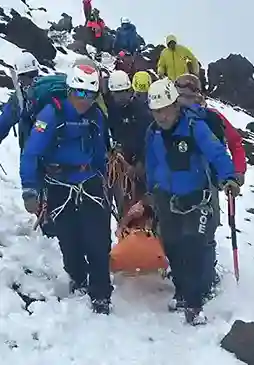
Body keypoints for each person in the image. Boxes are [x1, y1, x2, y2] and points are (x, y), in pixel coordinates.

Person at [131, 79, 240, 325]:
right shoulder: (153, 132)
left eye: (165, 110)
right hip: (166, 199)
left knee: (192, 247)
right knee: (172, 247)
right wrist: (151, 191)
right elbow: (152, 163)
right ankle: (182, 293)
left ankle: (194, 304)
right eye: (156, 111)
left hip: (196, 200)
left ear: (175, 105)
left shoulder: (195, 127)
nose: (161, 116)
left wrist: (229, 178)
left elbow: (216, 152)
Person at [20, 64, 113, 314]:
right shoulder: (51, 115)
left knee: (98, 239)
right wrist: (30, 190)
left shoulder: (96, 116)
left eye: (90, 95)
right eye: (80, 93)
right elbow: (31, 153)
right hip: (59, 184)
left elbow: (100, 150)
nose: (85, 100)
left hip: (90, 182)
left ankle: (101, 293)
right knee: (69, 237)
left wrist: (104, 178)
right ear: (70, 90)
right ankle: (78, 277)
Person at [105, 70, 153, 217]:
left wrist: (141, 162)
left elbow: (149, 141)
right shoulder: (112, 109)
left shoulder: (142, 112)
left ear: (130, 90)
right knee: (122, 203)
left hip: (140, 164)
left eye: (123, 92)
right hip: (121, 163)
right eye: (116, 93)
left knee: (143, 204)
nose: (120, 97)